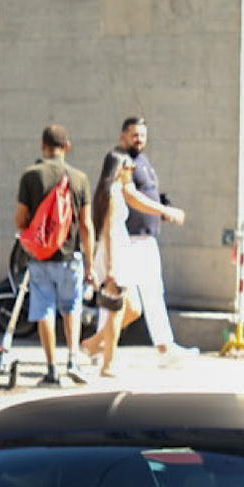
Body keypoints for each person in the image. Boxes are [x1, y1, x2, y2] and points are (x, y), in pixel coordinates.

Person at [13, 124, 92, 387]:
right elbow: (87, 225)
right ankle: (72, 360)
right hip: (71, 256)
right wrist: (90, 264)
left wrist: (31, 240)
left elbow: (20, 219)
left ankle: (51, 369)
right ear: (67, 147)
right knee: (72, 308)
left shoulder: (31, 176)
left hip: (40, 258)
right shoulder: (80, 179)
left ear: (42, 146)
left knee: (43, 311)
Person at [116, 116, 192, 358]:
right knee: (122, 300)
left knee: (153, 292)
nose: (139, 139)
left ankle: (165, 346)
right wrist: (165, 210)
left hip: (146, 239)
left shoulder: (143, 160)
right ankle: (98, 346)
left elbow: (147, 194)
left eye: (143, 135)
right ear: (123, 136)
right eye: (134, 135)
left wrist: (161, 210)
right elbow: (131, 197)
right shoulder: (122, 162)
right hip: (127, 240)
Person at [84, 148, 143, 377]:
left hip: (119, 253)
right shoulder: (111, 192)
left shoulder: (116, 191)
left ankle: (93, 344)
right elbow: (108, 231)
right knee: (116, 311)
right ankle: (108, 363)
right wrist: (109, 267)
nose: (133, 171)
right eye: (130, 167)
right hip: (114, 254)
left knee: (133, 309)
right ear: (120, 169)